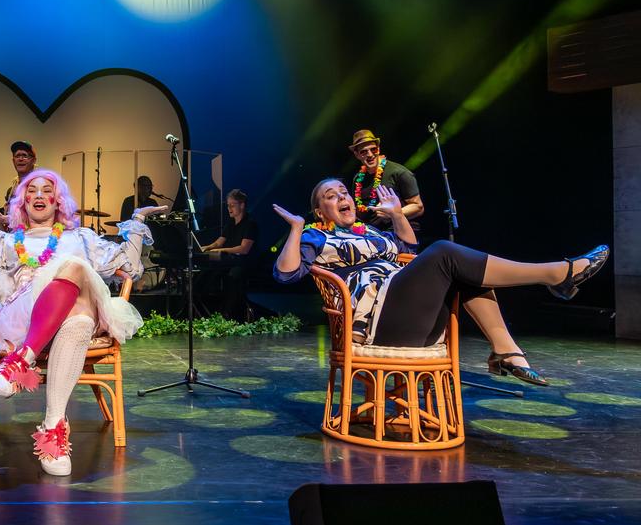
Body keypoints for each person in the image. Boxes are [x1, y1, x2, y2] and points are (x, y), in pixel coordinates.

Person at [0, 168, 166, 476]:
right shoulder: (7, 241)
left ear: (57, 201)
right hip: (26, 316)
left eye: (47, 190)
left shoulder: (81, 238)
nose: (38, 195)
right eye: (31, 191)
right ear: (23, 202)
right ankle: (52, 426)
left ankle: (28, 376)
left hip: (73, 317)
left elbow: (129, 266)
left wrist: (138, 219)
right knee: (78, 303)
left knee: (76, 280)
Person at [272, 177, 609, 385]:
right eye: (331, 196)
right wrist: (298, 228)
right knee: (445, 253)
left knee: (464, 272)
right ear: (321, 212)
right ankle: (556, 273)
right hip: (379, 321)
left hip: (409, 313)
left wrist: (396, 213)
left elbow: (407, 248)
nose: (342, 197)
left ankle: (506, 351)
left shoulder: (372, 231)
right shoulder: (318, 237)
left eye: (344, 192)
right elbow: (286, 273)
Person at [348, 129, 424, 232]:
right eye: (364, 152)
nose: (370, 154)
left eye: (373, 149)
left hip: (400, 232)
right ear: (356, 154)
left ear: (378, 149)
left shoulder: (399, 172)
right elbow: (359, 212)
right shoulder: (358, 180)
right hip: (372, 233)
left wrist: (392, 213)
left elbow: (418, 207)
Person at [200, 189, 259, 320]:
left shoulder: (250, 223)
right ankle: (211, 310)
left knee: (233, 275)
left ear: (242, 205)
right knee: (209, 272)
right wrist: (205, 248)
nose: (229, 208)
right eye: (228, 205)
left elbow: (244, 249)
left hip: (245, 263)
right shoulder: (231, 223)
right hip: (231, 261)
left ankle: (230, 312)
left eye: (232, 205)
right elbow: (219, 242)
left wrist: (220, 251)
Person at [0, 140, 37, 235]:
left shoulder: (39, 184)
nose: (20, 159)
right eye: (17, 156)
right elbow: (8, 224)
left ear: (33, 160)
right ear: (13, 161)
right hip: (14, 238)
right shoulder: (14, 187)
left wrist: (9, 219)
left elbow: (40, 216)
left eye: (25, 155)